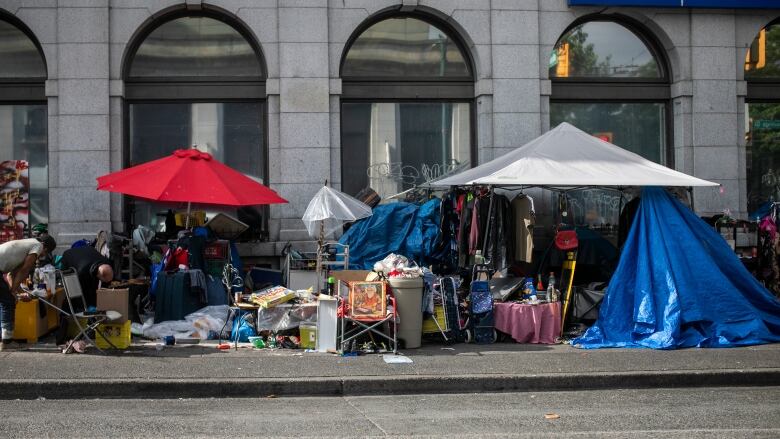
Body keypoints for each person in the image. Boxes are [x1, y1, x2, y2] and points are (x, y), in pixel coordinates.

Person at [0, 235, 57, 351]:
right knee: (7, 302)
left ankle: (4, 340)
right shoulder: (38, 246)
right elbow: (25, 270)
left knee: (5, 300)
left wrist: (16, 291)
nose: (42, 256)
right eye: (45, 254)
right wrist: (12, 293)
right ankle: (7, 342)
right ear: (45, 249)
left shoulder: (27, 244)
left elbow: (12, 274)